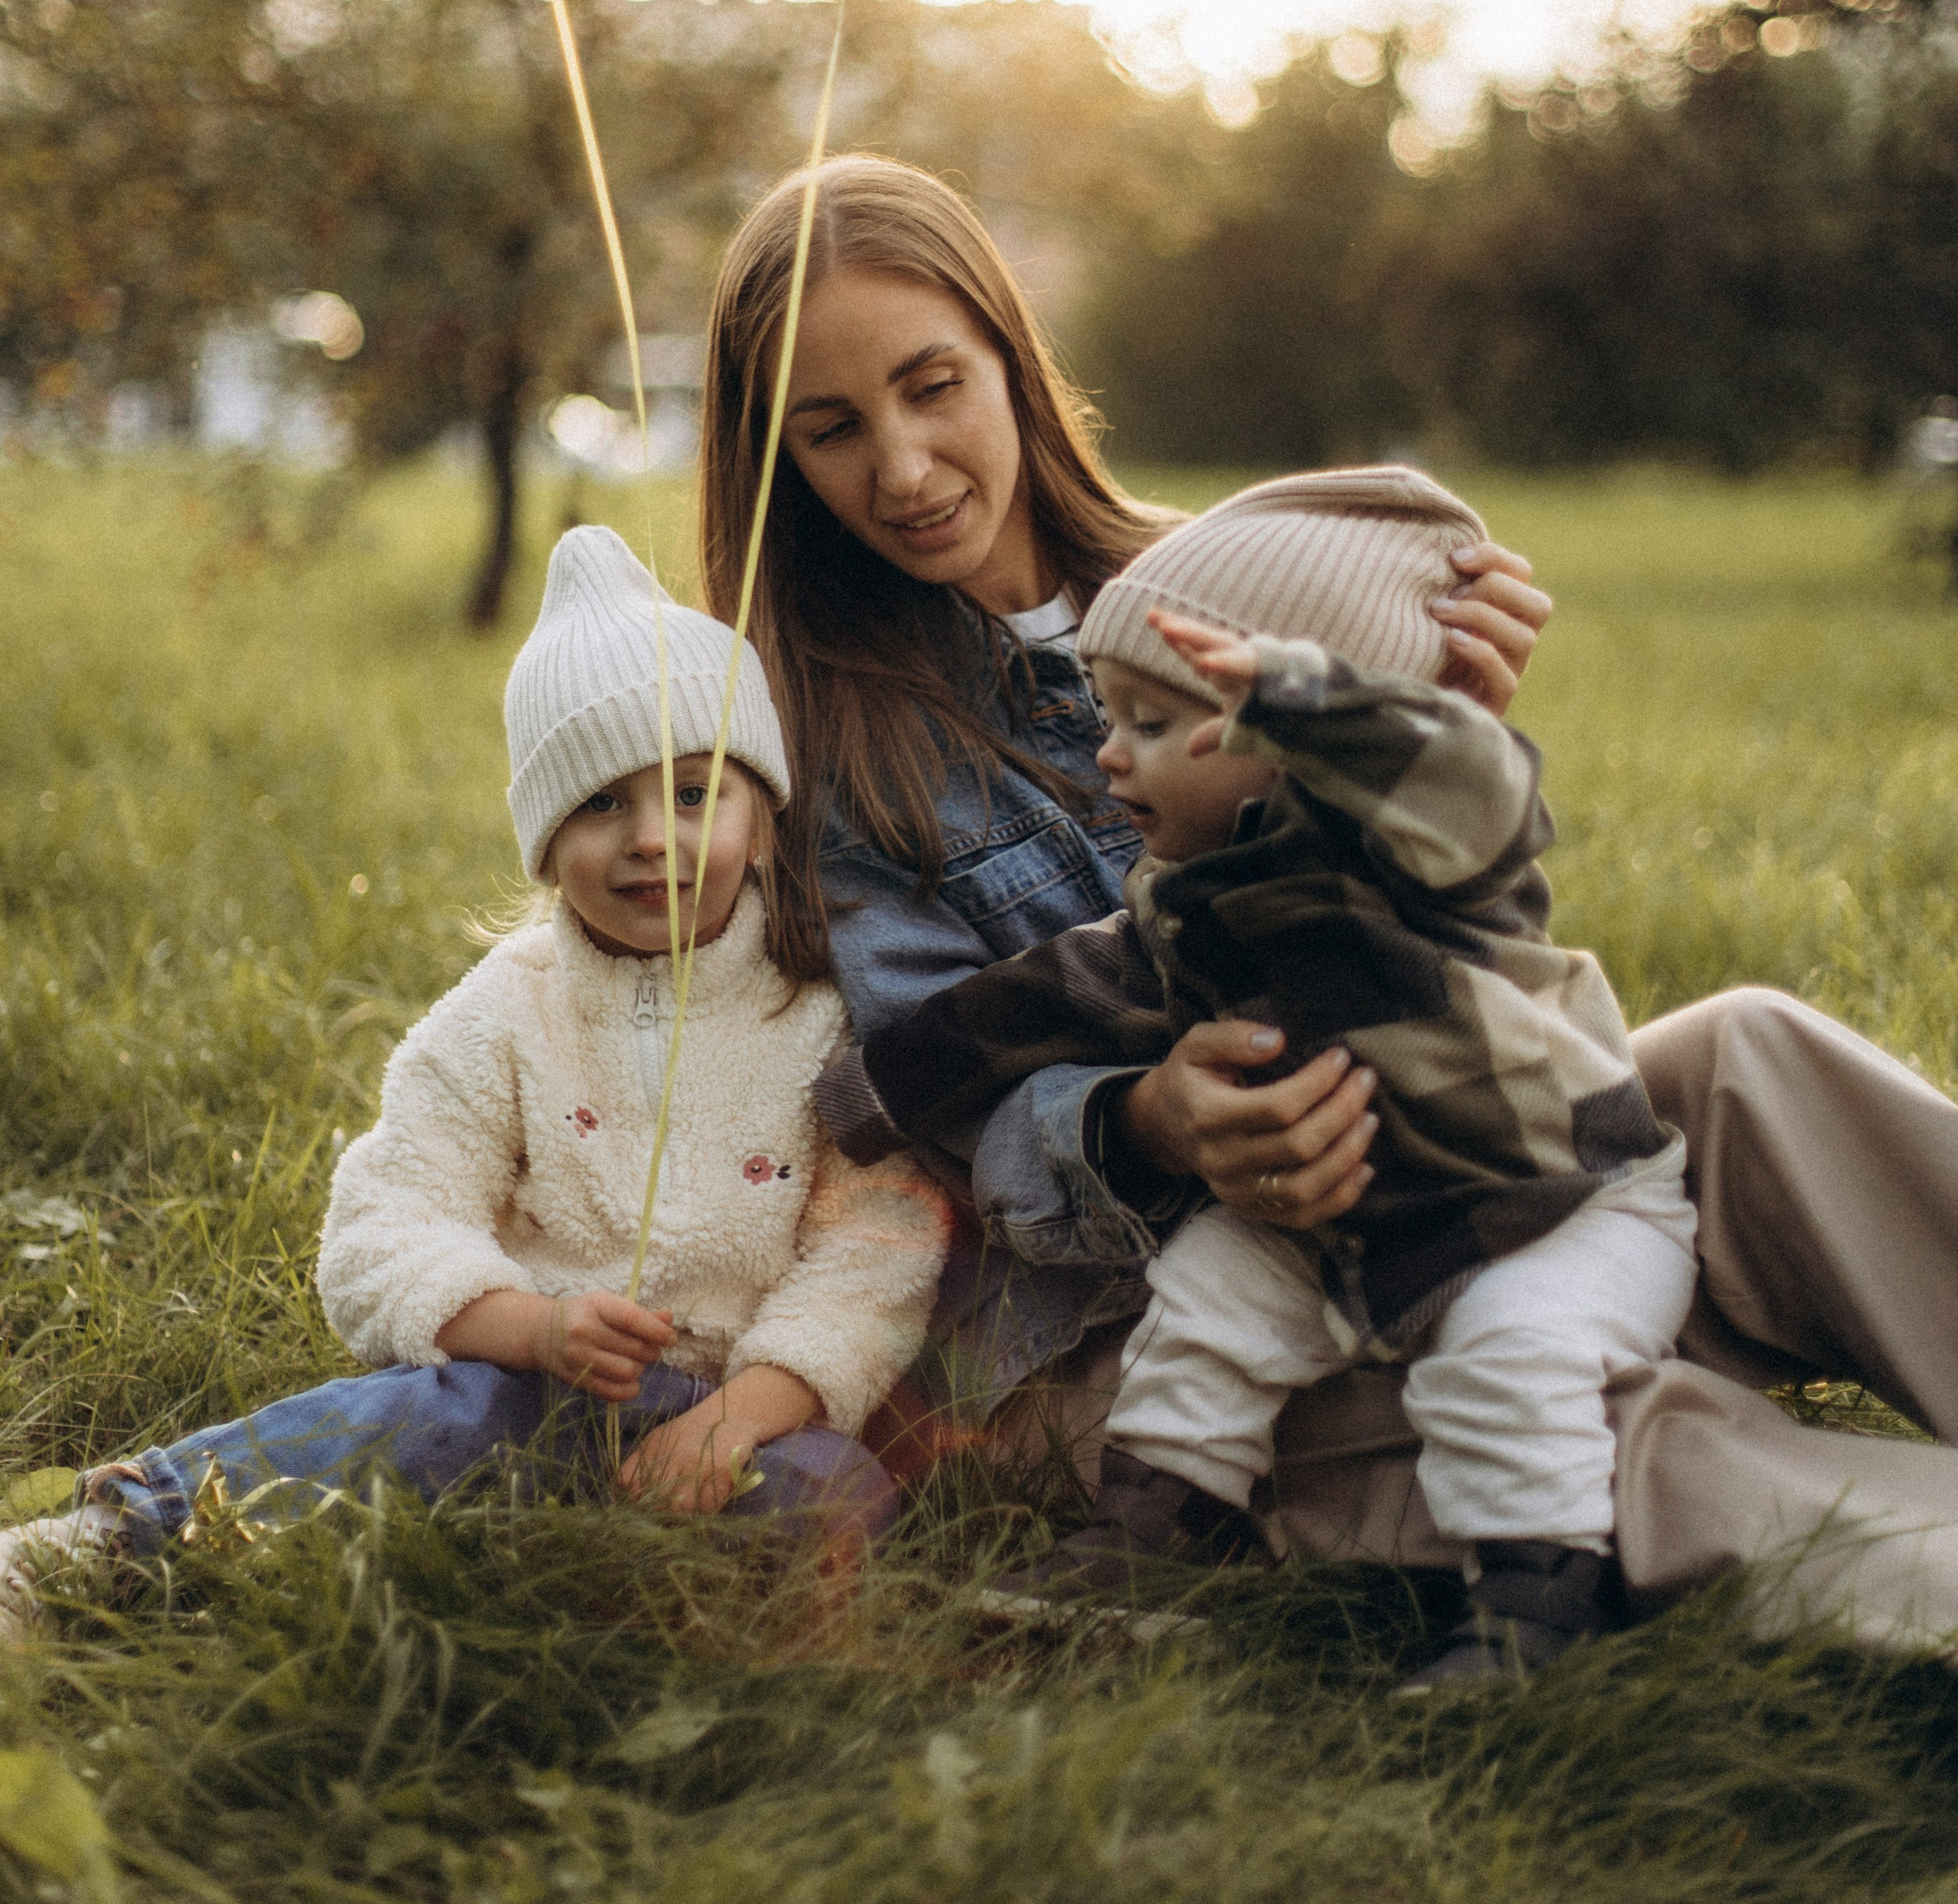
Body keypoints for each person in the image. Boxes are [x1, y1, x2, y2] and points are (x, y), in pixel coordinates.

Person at [699, 151, 1958, 1663]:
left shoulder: (1240, 582)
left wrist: (1438, 727)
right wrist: (1142, 1121)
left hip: (1443, 1146)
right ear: (775, 458)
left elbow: (1441, 904)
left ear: (1007, 361)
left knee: (1750, 1056)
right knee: (1563, 1425)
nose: (900, 466)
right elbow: (921, 1110)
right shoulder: (814, 747)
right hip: (1151, 1320)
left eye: (930, 387)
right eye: (831, 431)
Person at [820, 469, 1698, 1681]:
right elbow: (1044, 997)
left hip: (1549, 1204)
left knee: (1508, 1359)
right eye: (1107, 716)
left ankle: (1536, 1603)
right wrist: (880, 1096)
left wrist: (1308, 699)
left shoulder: (1420, 850)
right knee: (1211, 1296)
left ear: (1300, 746)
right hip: (1335, 1224)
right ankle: (1161, 1526)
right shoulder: (1186, 906)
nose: (1111, 759)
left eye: (1156, 724)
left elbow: (1480, 784)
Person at [0, 529, 948, 1639]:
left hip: (745, 1412)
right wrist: (531, 1328)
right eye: (601, 806)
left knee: (839, 1494)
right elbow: (384, 1221)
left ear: (762, 819)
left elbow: (877, 1256)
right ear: (546, 844)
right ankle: (106, 1546)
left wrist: (747, 1412)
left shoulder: (823, 1016)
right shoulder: (505, 1013)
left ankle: (617, 1603)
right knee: (413, 1419)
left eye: (695, 795)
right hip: (530, 1387)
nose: (653, 840)